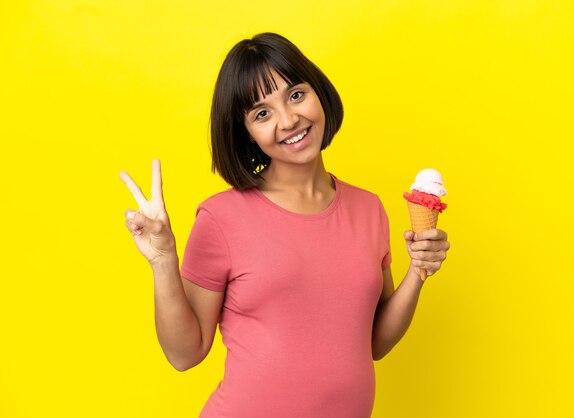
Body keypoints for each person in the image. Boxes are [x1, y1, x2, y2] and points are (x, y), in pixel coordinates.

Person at [120, 32, 450, 418]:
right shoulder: (221, 218)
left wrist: (419, 272)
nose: (289, 119)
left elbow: (372, 343)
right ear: (246, 133)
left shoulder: (369, 209)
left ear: (318, 92)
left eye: (295, 95)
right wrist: (162, 260)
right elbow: (184, 354)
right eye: (262, 113)